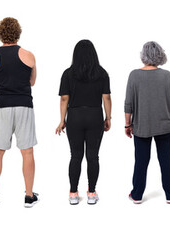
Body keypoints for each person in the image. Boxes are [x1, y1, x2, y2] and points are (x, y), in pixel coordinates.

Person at [0, 17, 39, 208]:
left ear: (1, 34)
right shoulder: (29, 55)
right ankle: (29, 196)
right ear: (18, 33)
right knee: (27, 151)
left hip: (3, 106)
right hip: (24, 105)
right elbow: (32, 82)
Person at [55, 39, 111, 205]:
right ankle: (92, 193)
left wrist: (62, 120)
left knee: (76, 155)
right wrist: (108, 117)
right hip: (95, 115)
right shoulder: (102, 73)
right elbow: (106, 97)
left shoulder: (68, 73)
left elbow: (65, 98)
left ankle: (73, 193)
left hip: (74, 116)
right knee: (93, 156)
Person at [124, 41, 170, 204]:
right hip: (165, 125)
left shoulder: (134, 75)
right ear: (160, 55)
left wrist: (127, 124)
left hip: (141, 125)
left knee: (141, 161)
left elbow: (128, 103)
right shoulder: (167, 75)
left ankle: (136, 195)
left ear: (143, 55)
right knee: (166, 160)